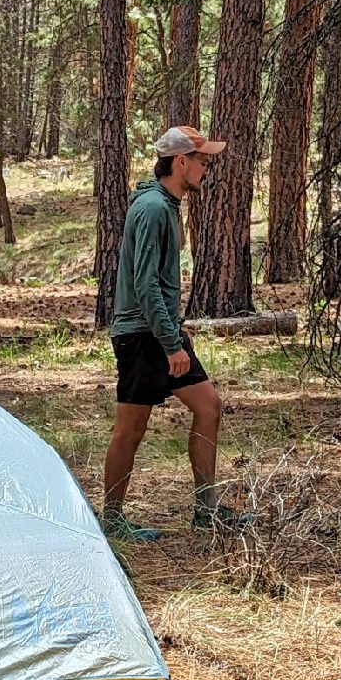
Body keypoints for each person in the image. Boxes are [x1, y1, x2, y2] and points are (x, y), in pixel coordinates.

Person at [99, 126, 252, 542]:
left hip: (162, 331)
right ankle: (111, 519)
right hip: (142, 336)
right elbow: (145, 283)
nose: (206, 168)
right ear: (180, 161)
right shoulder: (151, 208)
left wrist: (175, 329)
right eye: (202, 160)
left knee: (209, 406)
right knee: (130, 430)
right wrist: (170, 343)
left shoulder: (166, 205)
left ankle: (206, 511)